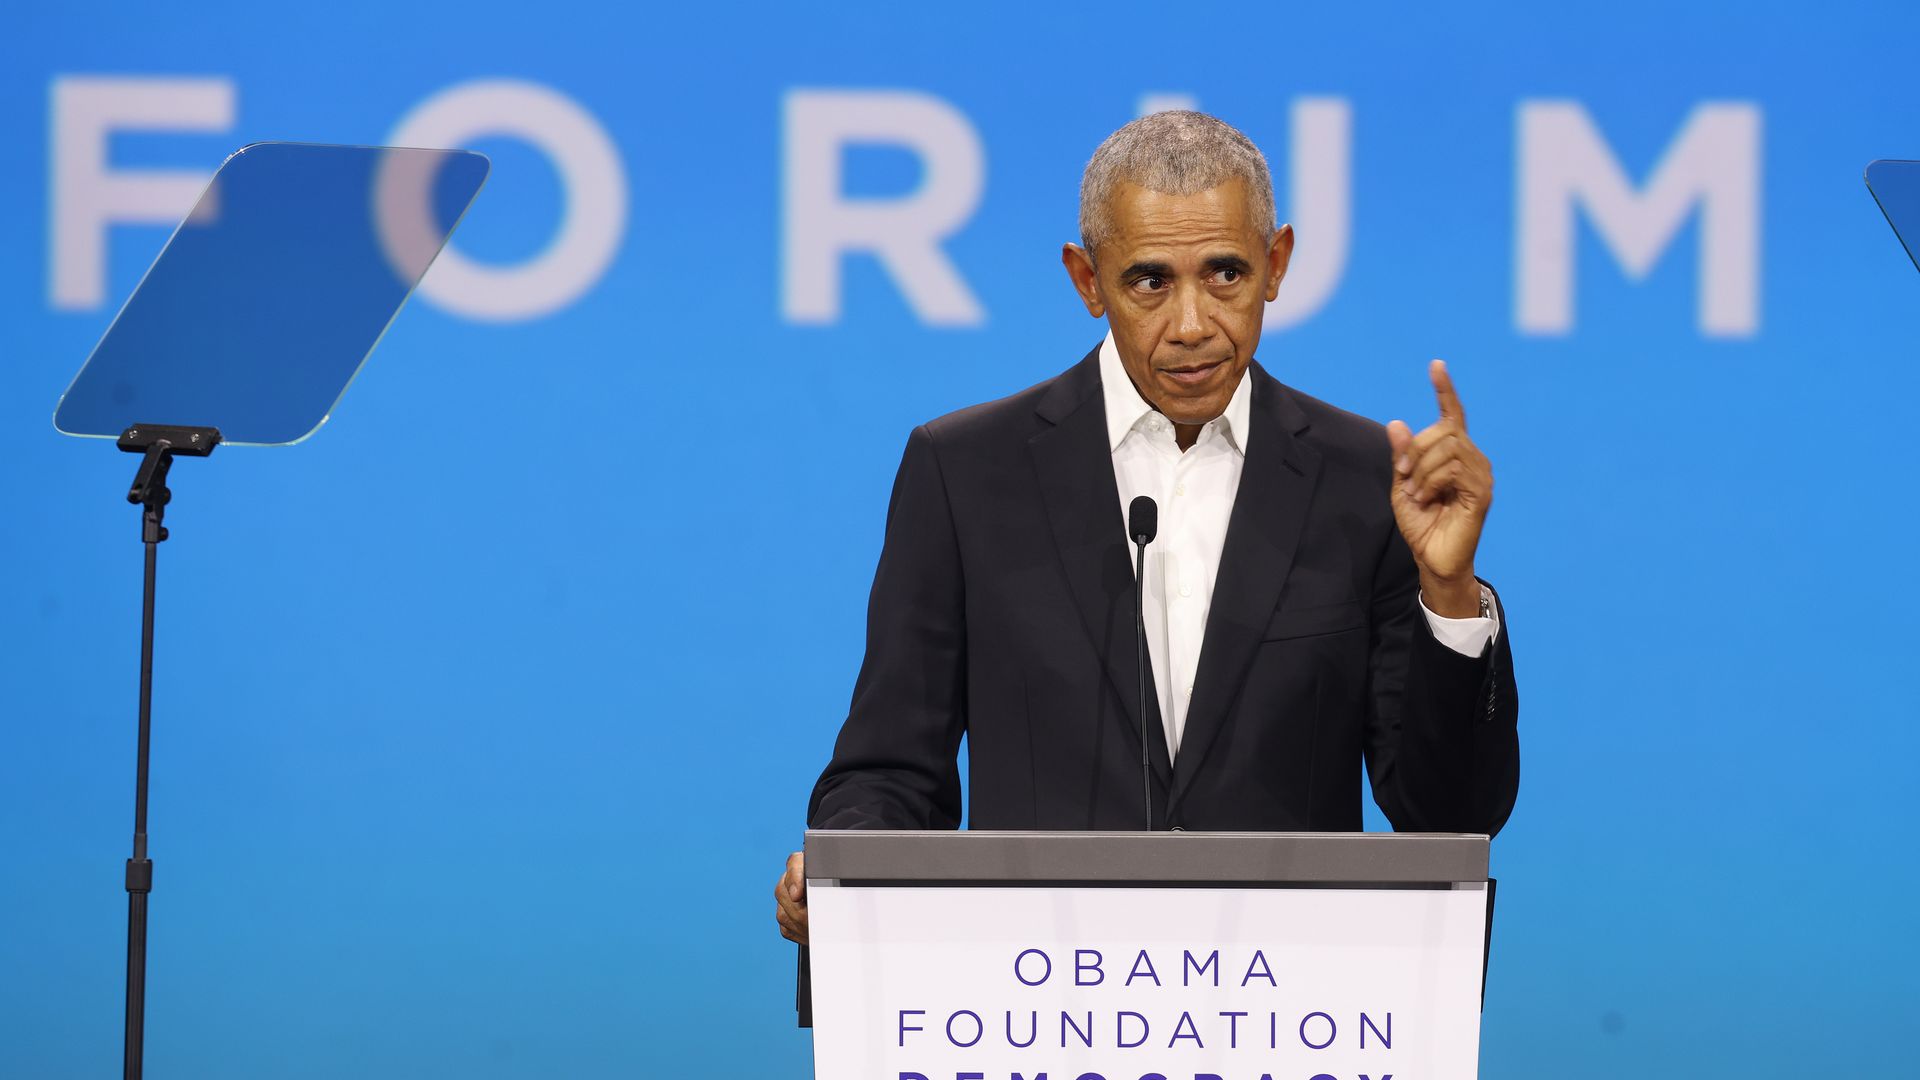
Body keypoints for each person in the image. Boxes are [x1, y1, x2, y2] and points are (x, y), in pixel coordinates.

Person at [775, 111, 1518, 946]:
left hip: (1290, 1008)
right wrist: (849, 871)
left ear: (1277, 264)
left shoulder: (1367, 483)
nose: (1194, 322)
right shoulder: (967, 473)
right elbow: (888, 770)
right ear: (1088, 281)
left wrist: (1448, 594)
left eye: (1226, 273)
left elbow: (1448, 816)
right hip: (1031, 1003)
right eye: (1150, 281)